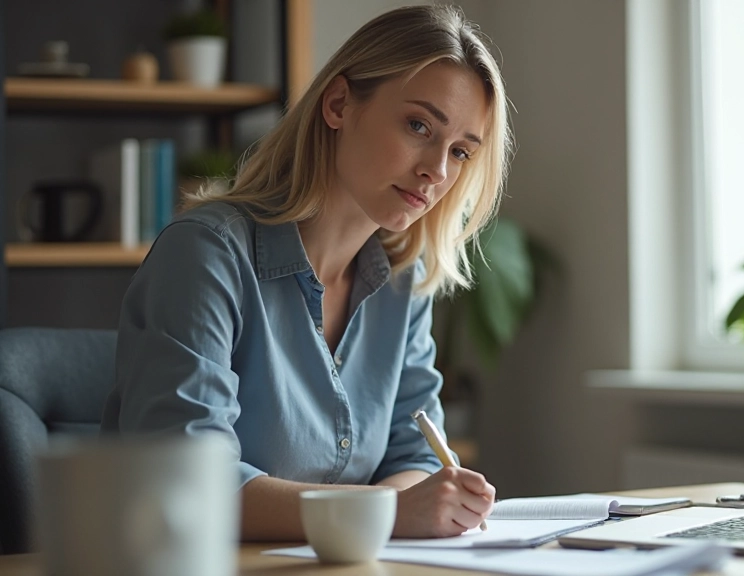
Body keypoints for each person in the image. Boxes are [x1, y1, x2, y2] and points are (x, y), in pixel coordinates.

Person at [100, 4, 512, 541]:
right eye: (418, 126)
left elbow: (420, 458)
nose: (436, 171)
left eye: (460, 151)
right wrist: (389, 512)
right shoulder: (206, 254)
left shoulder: (402, 282)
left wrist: (412, 504)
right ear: (339, 104)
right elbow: (190, 483)